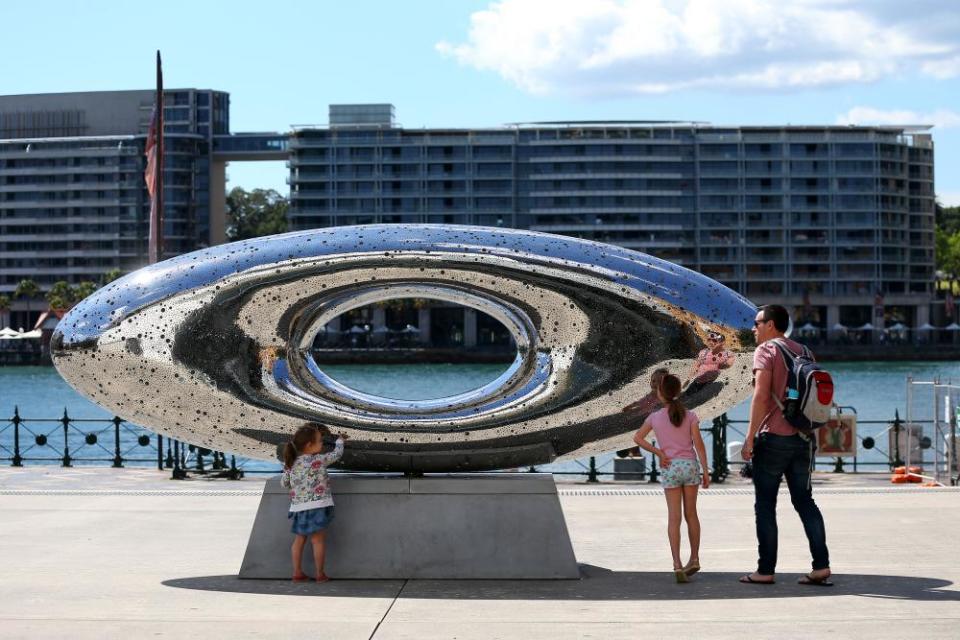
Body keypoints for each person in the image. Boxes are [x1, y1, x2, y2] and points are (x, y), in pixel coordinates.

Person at [740, 304, 832, 586]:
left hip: (774, 438)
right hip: (804, 438)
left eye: (757, 323)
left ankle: (765, 570)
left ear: (771, 325)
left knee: (765, 505)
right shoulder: (805, 351)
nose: (753, 328)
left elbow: (761, 396)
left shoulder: (766, 351)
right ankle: (821, 565)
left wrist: (750, 436)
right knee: (805, 501)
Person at [632, 373, 710, 583]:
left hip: (670, 468)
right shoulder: (690, 415)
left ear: (659, 393)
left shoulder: (654, 417)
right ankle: (694, 559)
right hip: (690, 467)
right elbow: (699, 446)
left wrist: (660, 453)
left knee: (673, 518)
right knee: (691, 515)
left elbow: (637, 438)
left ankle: (677, 565)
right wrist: (706, 471)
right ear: (678, 391)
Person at [281, 423, 346, 583]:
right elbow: (337, 454)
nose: (322, 444)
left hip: (299, 508)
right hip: (317, 506)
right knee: (318, 541)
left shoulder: (291, 463)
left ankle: (297, 572)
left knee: (299, 540)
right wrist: (340, 440)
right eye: (320, 441)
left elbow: (285, 484)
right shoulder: (319, 459)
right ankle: (320, 574)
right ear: (310, 445)